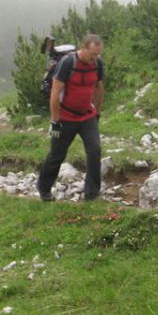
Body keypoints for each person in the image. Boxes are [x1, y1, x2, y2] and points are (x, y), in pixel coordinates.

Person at [36, 34, 105, 202]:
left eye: (98, 54)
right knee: (57, 155)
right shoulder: (68, 63)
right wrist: (55, 120)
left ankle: (92, 193)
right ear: (83, 48)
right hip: (65, 116)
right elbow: (55, 92)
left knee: (94, 151)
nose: (95, 58)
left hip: (87, 115)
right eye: (92, 54)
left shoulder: (98, 64)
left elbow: (99, 88)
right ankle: (44, 188)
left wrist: (97, 113)